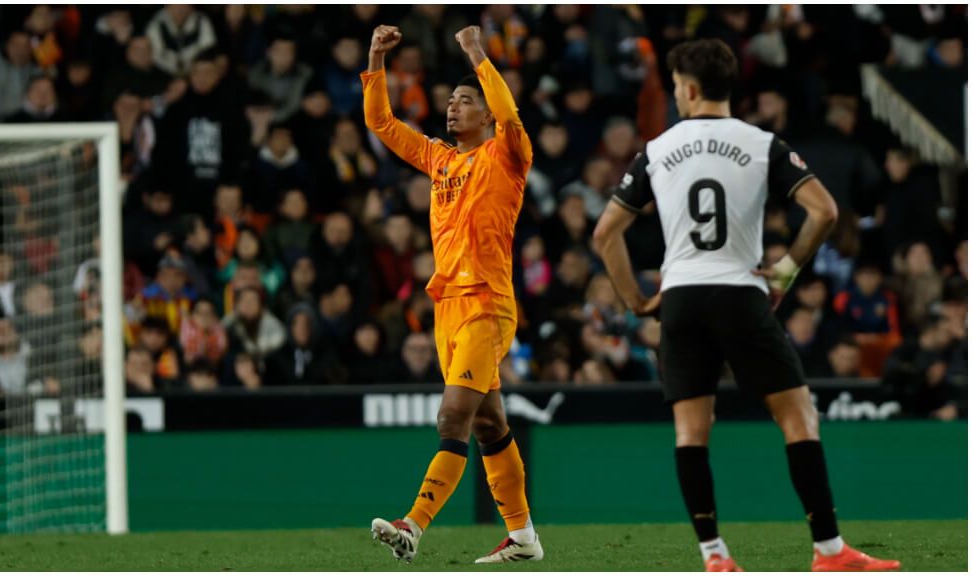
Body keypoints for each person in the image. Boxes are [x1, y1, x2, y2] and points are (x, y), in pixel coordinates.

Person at [591, 38, 899, 572]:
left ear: (687, 89)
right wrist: (785, 269)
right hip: (739, 292)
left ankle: (715, 555)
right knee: (798, 417)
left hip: (682, 297)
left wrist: (639, 300)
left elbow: (605, 233)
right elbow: (823, 211)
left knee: (691, 432)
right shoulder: (762, 144)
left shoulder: (657, 148)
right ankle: (829, 551)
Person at [362, 24, 542, 564]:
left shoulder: (508, 155)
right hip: (448, 306)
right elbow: (381, 122)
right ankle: (524, 537)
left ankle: (412, 525)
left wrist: (477, 55)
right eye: (450, 101)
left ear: (487, 113)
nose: (453, 108)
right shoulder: (440, 160)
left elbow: (511, 116)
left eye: (466, 101)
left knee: (452, 418)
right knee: (490, 423)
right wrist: (375, 58)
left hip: (488, 303)